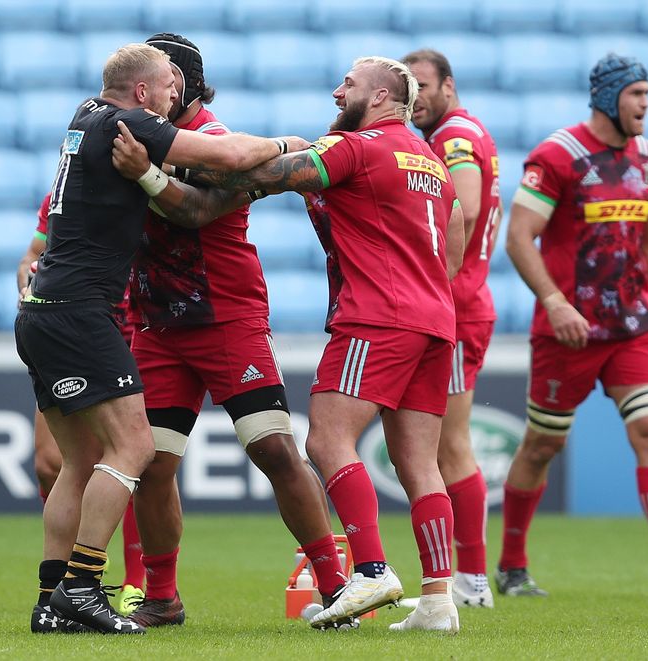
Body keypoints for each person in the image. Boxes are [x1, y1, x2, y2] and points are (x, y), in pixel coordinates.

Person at [113, 55, 467, 633]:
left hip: (376, 316)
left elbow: (254, 178)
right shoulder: (430, 161)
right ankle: (437, 600)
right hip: (434, 318)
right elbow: (453, 242)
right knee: (420, 464)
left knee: (327, 439)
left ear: (379, 97)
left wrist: (182, 165)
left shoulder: (355, 147)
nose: (336, 93)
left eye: (348, 85)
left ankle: (369, 569)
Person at [16, 42, 307, 636]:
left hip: (41, 309)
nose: (179, 97)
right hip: (82, 312)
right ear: (145, 93)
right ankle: (84, 588)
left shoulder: (85, 115)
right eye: (169, 89)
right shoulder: (131, 123)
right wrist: (291, 145)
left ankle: (51, 597)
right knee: (133, 448)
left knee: (78, 462)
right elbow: (227, 154)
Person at [99, 33, 347, 630]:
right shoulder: (144, 133)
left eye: (156, 79)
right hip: (158, 322)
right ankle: (162, 595)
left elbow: (197, 210)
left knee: (272, 449)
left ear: (175, 85)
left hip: (227, 317)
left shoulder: (215, 141)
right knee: (153, 464)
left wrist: (146, 178)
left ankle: (338, 587)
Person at [497, 53, 648, 598]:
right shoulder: (557, 156)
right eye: (637, 94)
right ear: (608, 98)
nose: (646, 104)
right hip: (569, 332)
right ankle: (512, 567)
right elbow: (517, 236)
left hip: (633, 326)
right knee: (541, 446)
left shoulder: (647, 158)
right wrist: (554, 302)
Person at [402, 48, 501, 609]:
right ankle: (468, 578)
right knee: (439, 446)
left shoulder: (454, 139)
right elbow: (497, 210)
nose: (417, 97)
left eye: (423, 85)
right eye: (408, 87)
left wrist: (440, 284)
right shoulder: (469, 133)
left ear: (448, 86)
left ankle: (472, 580)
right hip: (463, 302)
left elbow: (461, 208)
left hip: (456, 307)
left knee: (450, 446)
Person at [17, 192, 145, 618]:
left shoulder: (154, 180)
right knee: (58, 463)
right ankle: (66, 591)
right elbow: (33, 256)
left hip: (129, 334)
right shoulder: (64, 194)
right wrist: (27, 280)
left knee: (138, 456)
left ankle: (136, 583)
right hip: (79, 326)